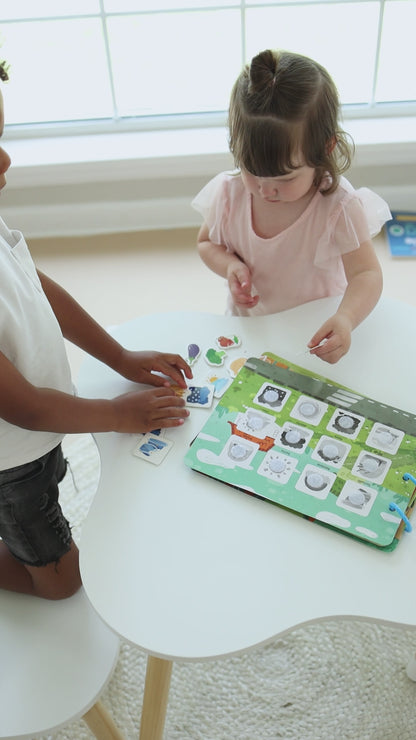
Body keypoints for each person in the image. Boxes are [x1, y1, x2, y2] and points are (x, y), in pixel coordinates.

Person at [0, 60, 192, 600]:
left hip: (31, 445)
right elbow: (27, 409)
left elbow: (36, 291)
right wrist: (115, 415)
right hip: (10, 459)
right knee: (63, 583)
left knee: (48, 476)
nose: (6, 158)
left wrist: (121, 357)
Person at [193, 49, 391, 365]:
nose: (265, 189)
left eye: (285, 177)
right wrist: (229, 266)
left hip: (316, 332)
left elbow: (367, 273)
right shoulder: (230, 195)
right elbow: (206, 243)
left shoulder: (338, 207)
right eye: (252, 172)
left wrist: (346, 318)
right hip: (252, 325)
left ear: (327, 147)